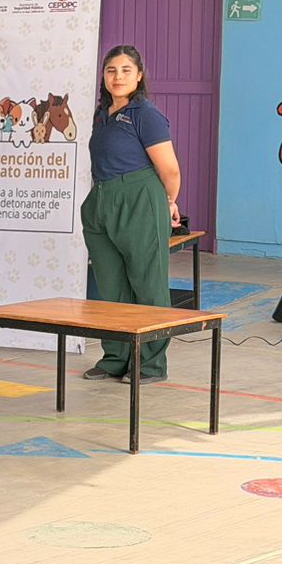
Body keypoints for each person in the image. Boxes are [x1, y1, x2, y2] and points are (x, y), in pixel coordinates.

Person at [82, 44, 182, 383]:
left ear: (139, 76)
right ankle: (115, 358)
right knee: (110, 286)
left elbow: (170, 170)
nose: (118, 76)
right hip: (101, 201)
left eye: (126, 70)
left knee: (148, 285)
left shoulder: (146, 114)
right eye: (111, 70)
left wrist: (168, 203)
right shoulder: (102, 114)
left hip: (139, 199)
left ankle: (151, 365)